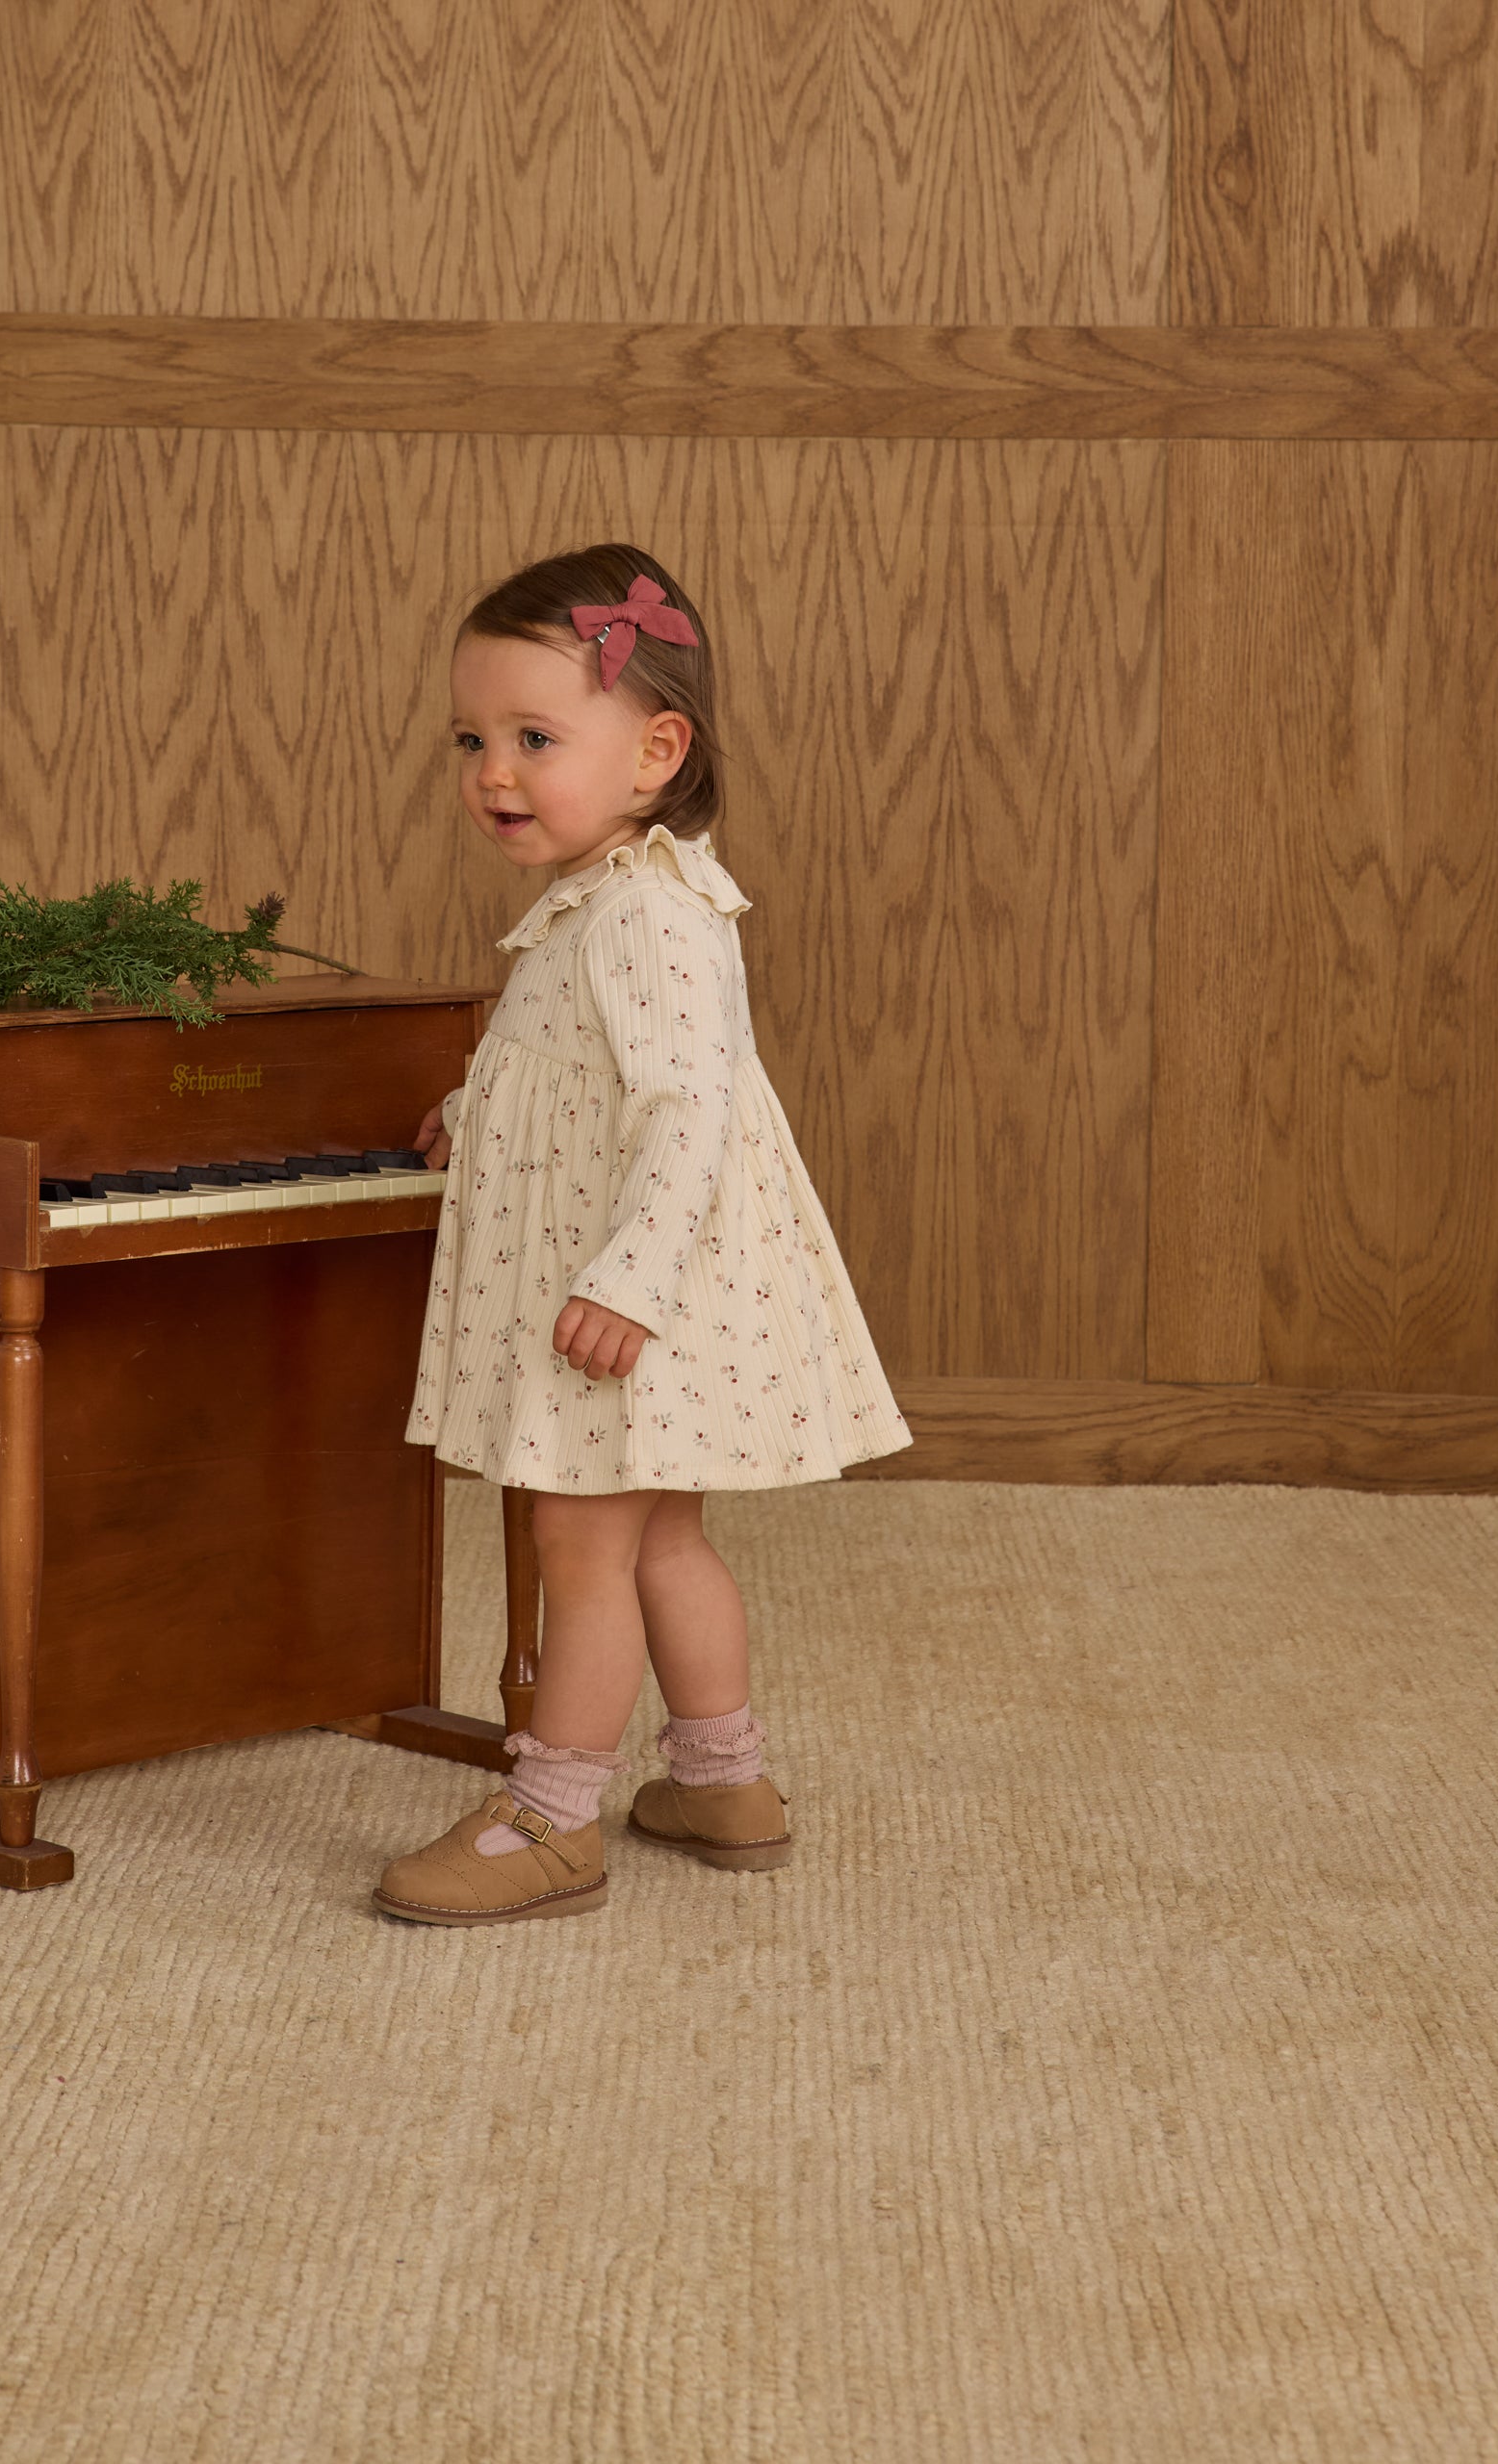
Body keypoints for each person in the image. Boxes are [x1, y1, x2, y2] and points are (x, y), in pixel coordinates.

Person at [374, 543, 913, 1927]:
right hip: (644, 1289)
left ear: (655, 750)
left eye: (534, 738)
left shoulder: (650, 916)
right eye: (472, 739)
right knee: (664, 1536)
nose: (493, 771)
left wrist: (626, 1280)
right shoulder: (610, 900)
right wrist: (472, 1106)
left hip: (625, 1293)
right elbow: (578, 1070)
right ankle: (724, 1780)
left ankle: (553, 1818)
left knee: (581, 1547)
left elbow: (691, 1103)